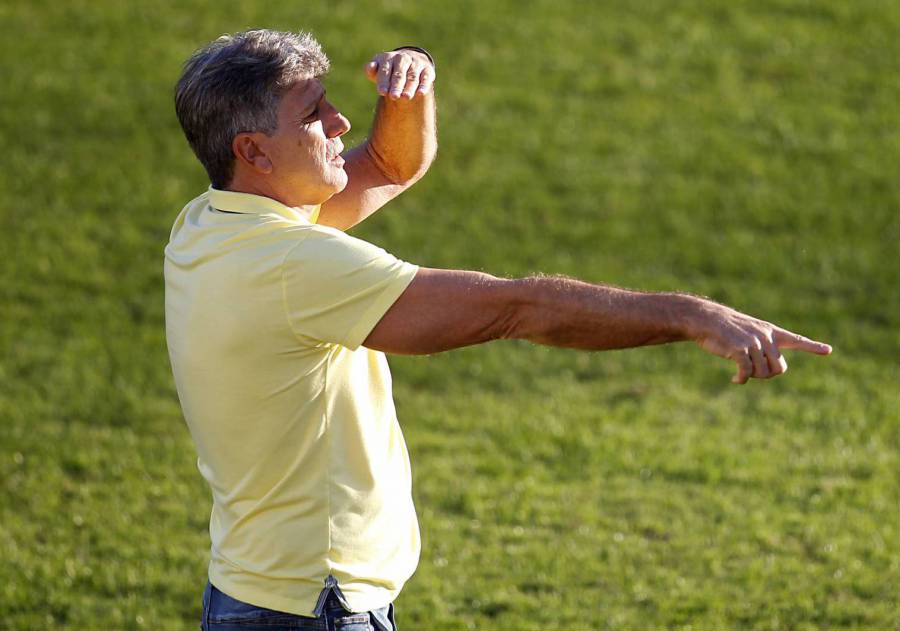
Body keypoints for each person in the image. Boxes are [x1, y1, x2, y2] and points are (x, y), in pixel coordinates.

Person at [166, 29, 832, 631]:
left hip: (251, 592)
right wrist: (694, 316)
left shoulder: (211, 224)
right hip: (315, 606)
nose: (340, 121)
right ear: (252, 149)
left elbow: (391, 166)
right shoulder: (295, 265)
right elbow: (519, 307)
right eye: (313, 115)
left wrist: (413, 79)